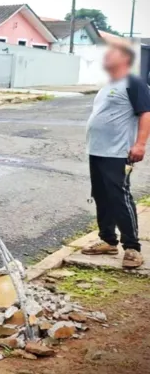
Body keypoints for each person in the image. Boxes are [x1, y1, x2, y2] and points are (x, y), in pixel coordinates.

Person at [80, 40, 148, 269]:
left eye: (113, 53)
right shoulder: (108, 85)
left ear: (125, 59)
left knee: (119, 196)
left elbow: (146, 113)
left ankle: (132, 248)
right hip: (97, 150)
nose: (107, 56)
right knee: (101, 195)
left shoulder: (133, 82)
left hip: (118, 152)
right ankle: (108, 240)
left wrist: (140, 144)